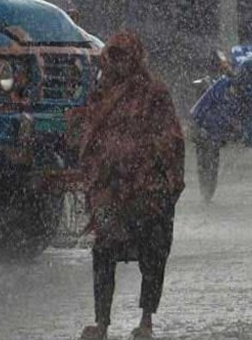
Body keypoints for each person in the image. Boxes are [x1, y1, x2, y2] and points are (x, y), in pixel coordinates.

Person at [76, 31, 185, 340]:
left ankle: (146, 320)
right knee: (103, 252)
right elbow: (91, 135)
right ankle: (102, 323)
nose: (119, 64)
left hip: (147, 193)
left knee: (153, 254)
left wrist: (154, 172)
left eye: (125, 57)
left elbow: (171, 138)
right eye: (115, 57)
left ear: (135, 58)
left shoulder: (154, 93)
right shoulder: (102, 93)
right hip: (111, 191)